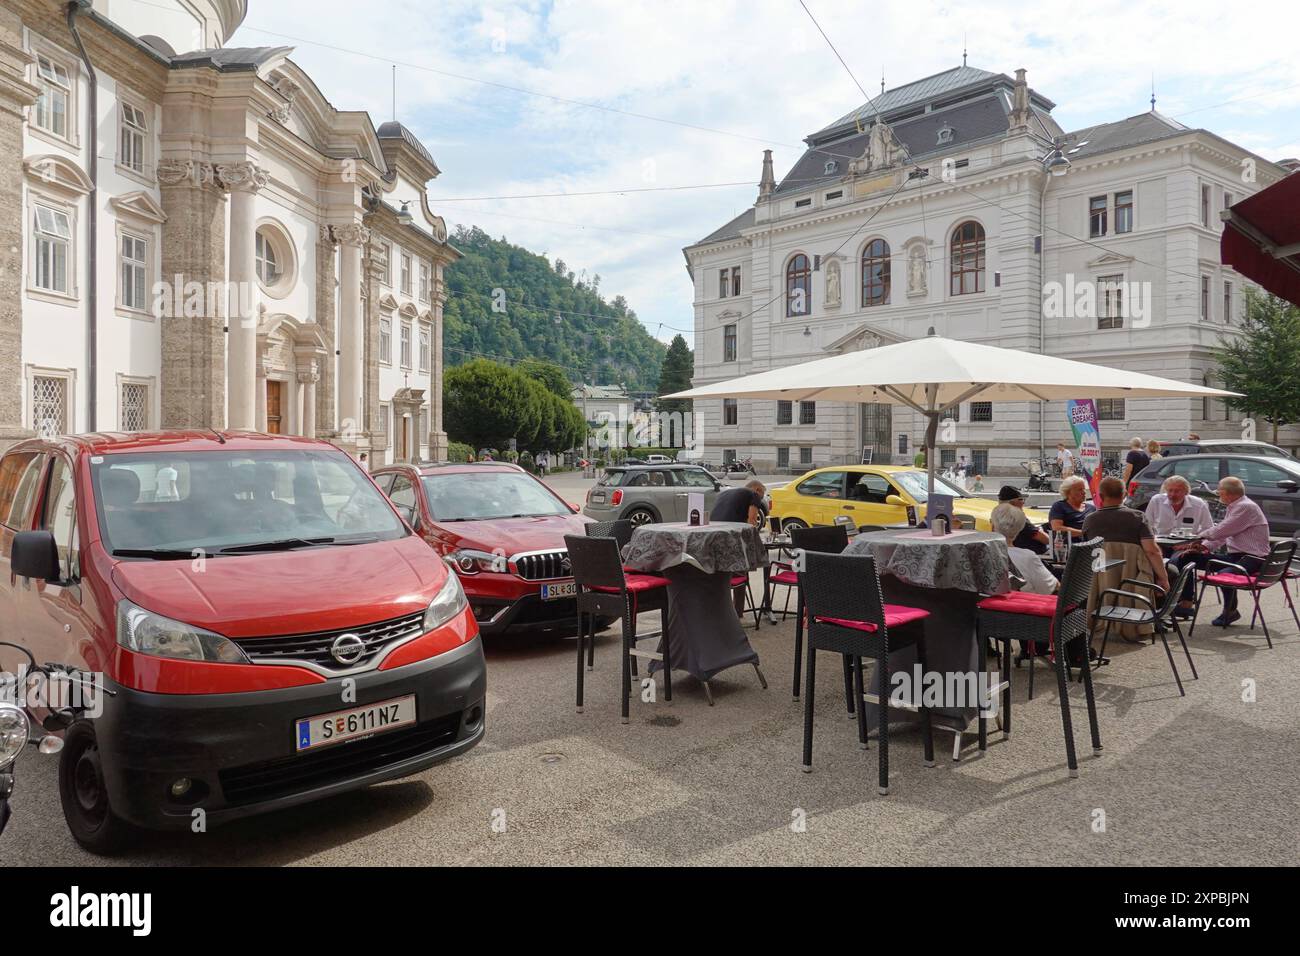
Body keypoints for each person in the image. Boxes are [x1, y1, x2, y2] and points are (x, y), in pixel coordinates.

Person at [1169, 476, 1270, 625]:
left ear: (1227, 493)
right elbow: (1223, 535)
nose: (1218, 494)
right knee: (1185, 558)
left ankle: (1230, 611)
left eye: (1220, 491)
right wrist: (1202, 547)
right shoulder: (1237, 506)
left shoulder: (1245, 507)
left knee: (1225, 574)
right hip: (1238, 557)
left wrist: (1195, 539)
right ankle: (1186, 602)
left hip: (1253, 559)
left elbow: (1221, 530)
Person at [1082, 477, 1170, 592]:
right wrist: (1163, 578)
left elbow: (1087, 552)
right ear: (1124, 495)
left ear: (1101, 496)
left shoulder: (1090, 520)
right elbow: (1152, 551)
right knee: (1173, 570)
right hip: (1135, 579)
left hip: (1101, 580)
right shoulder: (1138, 517)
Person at [992, 503, 1058, 595]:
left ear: (992, 524)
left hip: (985, 606)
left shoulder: (982, 554)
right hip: (1021, 606)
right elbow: (1051, 588)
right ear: (1020, 528)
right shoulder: (1027, 557)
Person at [1145, 475, 1214, 538]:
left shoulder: (1199, 504)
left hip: (1187, 544)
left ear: (1186, 492)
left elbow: (1208, 528)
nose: (1173, 494)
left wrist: (1196, 540)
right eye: (1170, 490)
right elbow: (1147, 525)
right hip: (1160, 542)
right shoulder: (1156, 501)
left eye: (1177, 491)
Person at [997, 485, 1048, 553]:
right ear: (1012, 503)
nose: (1023, 502)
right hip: (1031, 556)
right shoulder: (1018, 520)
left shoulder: (998, 517)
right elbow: (1046, 539)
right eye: (1021, 499)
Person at [1049, 475, 1096, 541]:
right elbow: (1057, 528)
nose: (1084, 492)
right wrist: (1083, 533)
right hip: (1069, 547)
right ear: (1068, 492)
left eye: (1084, 489)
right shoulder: (1059, 506)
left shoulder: (1091, 508)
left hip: (1091, 545)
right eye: (1080, 490)